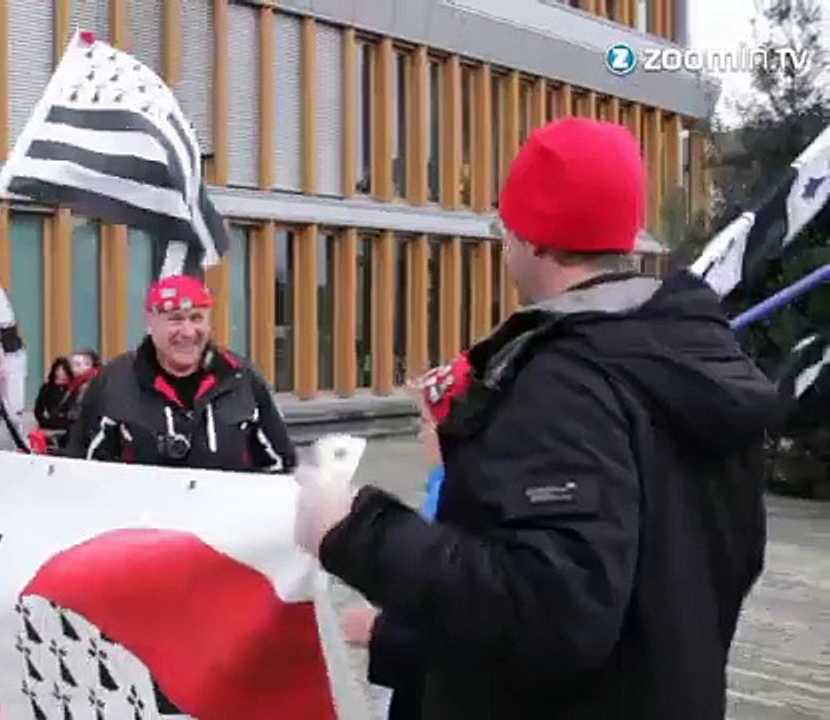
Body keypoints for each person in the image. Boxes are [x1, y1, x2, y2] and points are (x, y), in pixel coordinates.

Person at [296, 118, 778, 719]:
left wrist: (353, 531)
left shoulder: (566, 381)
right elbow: (656, 585)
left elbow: (551, 611)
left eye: (504, 227)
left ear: (534, 239)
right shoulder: (691, 357)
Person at [340, 354, 472, 720]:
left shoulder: (464, 503)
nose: (419, 434)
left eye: (426, 424)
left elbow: (461, 616)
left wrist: (380, 632)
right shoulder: (443, 486)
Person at [66, 274, 295, 473]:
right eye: (175, 319)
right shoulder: (114, 383)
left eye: (196, 318)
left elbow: (283, 467)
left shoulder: (241, 378)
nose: (187, 332)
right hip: (141, 519)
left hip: (226, 518)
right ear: (150, 322)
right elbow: (80, 472)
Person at [33, 357, 75, 431]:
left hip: (67, 427)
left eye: (64, 370)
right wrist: (43, 421)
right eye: (59, 370)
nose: (61, 373)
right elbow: (38, 409)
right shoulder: (46, 388)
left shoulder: (72, 388)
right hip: (49, 425)